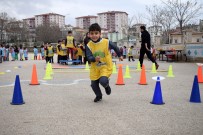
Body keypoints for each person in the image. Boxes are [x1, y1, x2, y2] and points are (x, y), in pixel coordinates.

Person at [86, 23, 123, 102]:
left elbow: (115, 47)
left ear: (100, 34)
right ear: (89, 35)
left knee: (102, 81)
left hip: (105, 66)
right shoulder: (89, 45)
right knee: (93, 84)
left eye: (96, 33)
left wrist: (120, 55)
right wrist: (94, 59)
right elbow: (88, 57)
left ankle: (106, 86)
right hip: (95, 67)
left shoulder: (106, 42)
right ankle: (99, 95)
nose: (94, 35)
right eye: (92, 33)